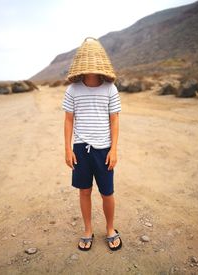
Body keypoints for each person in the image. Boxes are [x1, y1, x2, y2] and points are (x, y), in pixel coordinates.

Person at [62, 37, 122, 251]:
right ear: (81, 63)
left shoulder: (110, 89)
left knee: (107, 192)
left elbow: (114, 120)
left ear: (101, 63)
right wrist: (68, 148)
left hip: (104, 149)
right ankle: (88, 230)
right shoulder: (73, 90)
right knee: (84, 191)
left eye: (94, 61)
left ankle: (110, 229)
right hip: (81, 149)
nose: (91, 65)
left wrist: (114, 149)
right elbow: (69, 119)